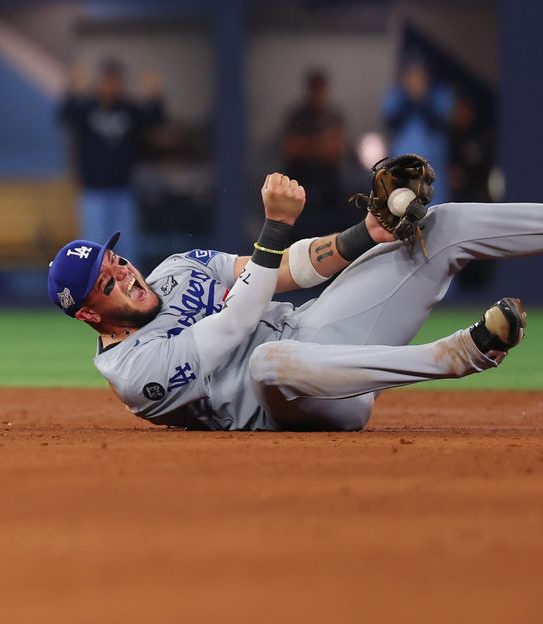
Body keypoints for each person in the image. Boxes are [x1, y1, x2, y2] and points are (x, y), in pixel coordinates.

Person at [46, 166, 531, 431]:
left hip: (320, 331)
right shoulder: (134, 373)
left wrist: (366, 233)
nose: (125, 273)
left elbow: (282, 269)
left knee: (438, 227)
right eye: (107, 282)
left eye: (116, 261)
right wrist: (275, 225)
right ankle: (457, 356)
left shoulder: (174, 269)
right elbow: (236, 322)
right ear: (90, 313)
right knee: (266, 361)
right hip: (295, 403)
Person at [58, 59, 164, 262]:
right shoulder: (87, 108)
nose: (110, 86)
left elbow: (155, 119)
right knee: (94, 249)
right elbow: (64, 114)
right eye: (106, 81)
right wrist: (70, 87)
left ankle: (128, 292)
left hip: (123, 190)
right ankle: (94, 291)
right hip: (93, 192)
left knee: (126, 250)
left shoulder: (128, 109)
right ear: (99, 82)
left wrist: (154, 93)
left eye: (115, 81)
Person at [280, 69, 348, 240]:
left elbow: (335, 150)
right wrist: (320, 143)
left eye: (320, 88)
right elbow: (291, 148)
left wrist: (307, 144)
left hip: (327, 182)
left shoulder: (333, 116)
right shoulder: (297, 116)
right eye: (314, 88)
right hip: (301, 177)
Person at [383, 57, 454, 203]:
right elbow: (390, 118)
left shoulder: (440, 94)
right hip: (402, 169)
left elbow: (440, 119)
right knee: (402, 213)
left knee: (435, 215)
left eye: (419, 74)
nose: (415, 78)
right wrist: (409, 97)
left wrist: (422, 98)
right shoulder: (397, 95)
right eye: (411, 74)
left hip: (432, 170)